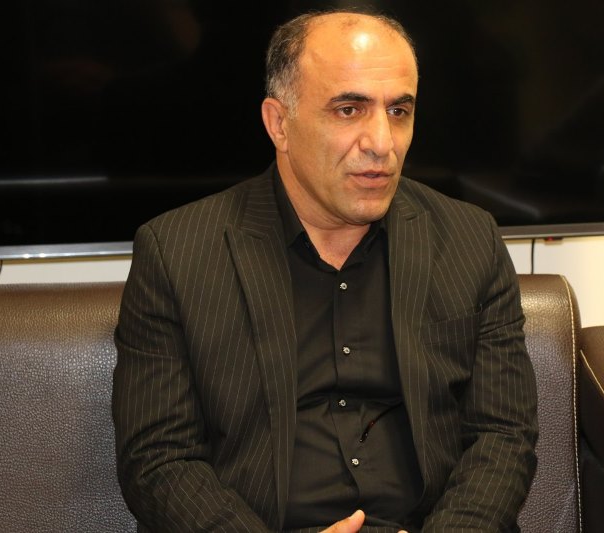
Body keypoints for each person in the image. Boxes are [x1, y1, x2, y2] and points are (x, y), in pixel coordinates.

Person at [112, 9, 537, 532]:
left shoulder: (470, 239)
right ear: (279, 124)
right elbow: (158, 460)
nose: (382, 142)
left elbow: (504, 434)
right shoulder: (177, 252)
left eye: (398, 111)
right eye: (349, 109)